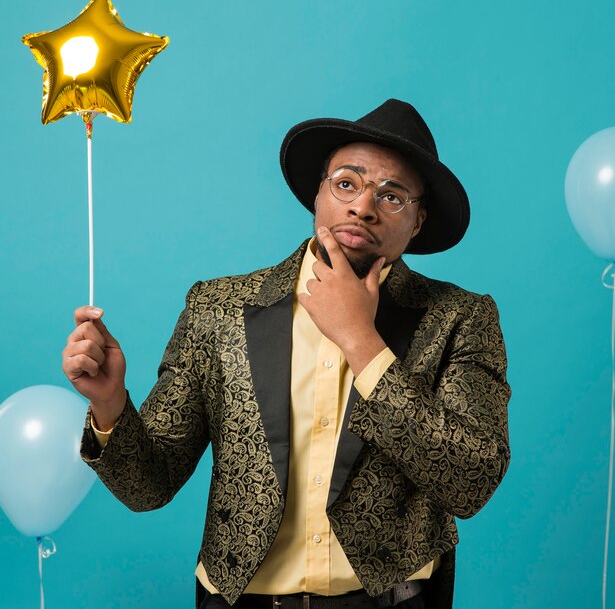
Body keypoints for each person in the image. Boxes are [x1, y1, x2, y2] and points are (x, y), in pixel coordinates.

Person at [62, 99, 511, 609]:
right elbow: (149, 486)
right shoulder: (218, 308)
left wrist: (361, 341)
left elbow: (470, 480)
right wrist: (109, 405)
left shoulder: (459, 317)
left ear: (418, 220)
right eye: (346, 183)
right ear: (317, 193)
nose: (363, 206)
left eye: (392, 196)